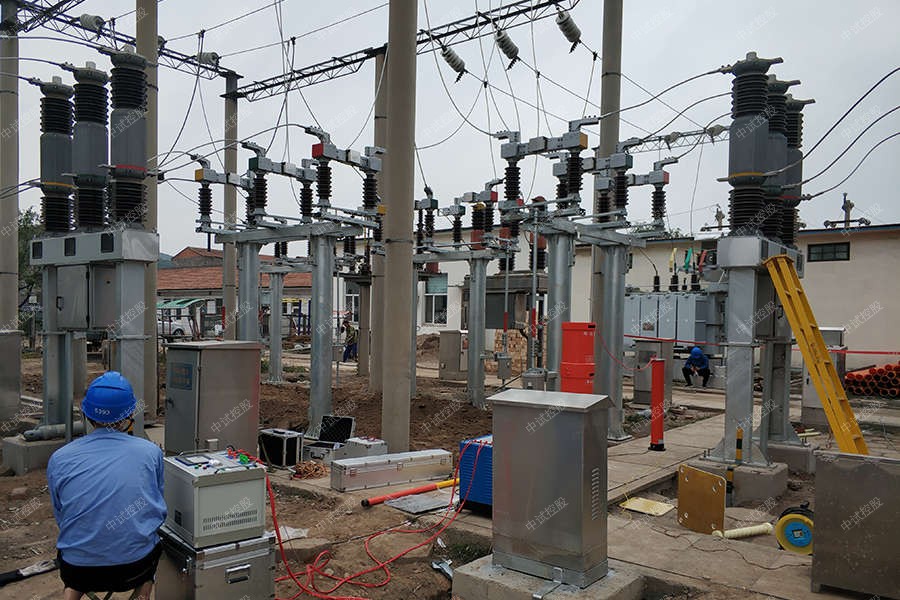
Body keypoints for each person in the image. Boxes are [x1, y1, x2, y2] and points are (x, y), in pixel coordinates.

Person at [47, 372, 166, 600]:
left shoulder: (60, 458)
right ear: (129, 415)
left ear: (85, 413)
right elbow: (157, 507)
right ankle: (143, 594)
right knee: (154, 549)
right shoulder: (150, 452)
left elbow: (61, 514)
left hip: (77, 569)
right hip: (135, 567)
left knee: (77, 566)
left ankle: (71, 593)